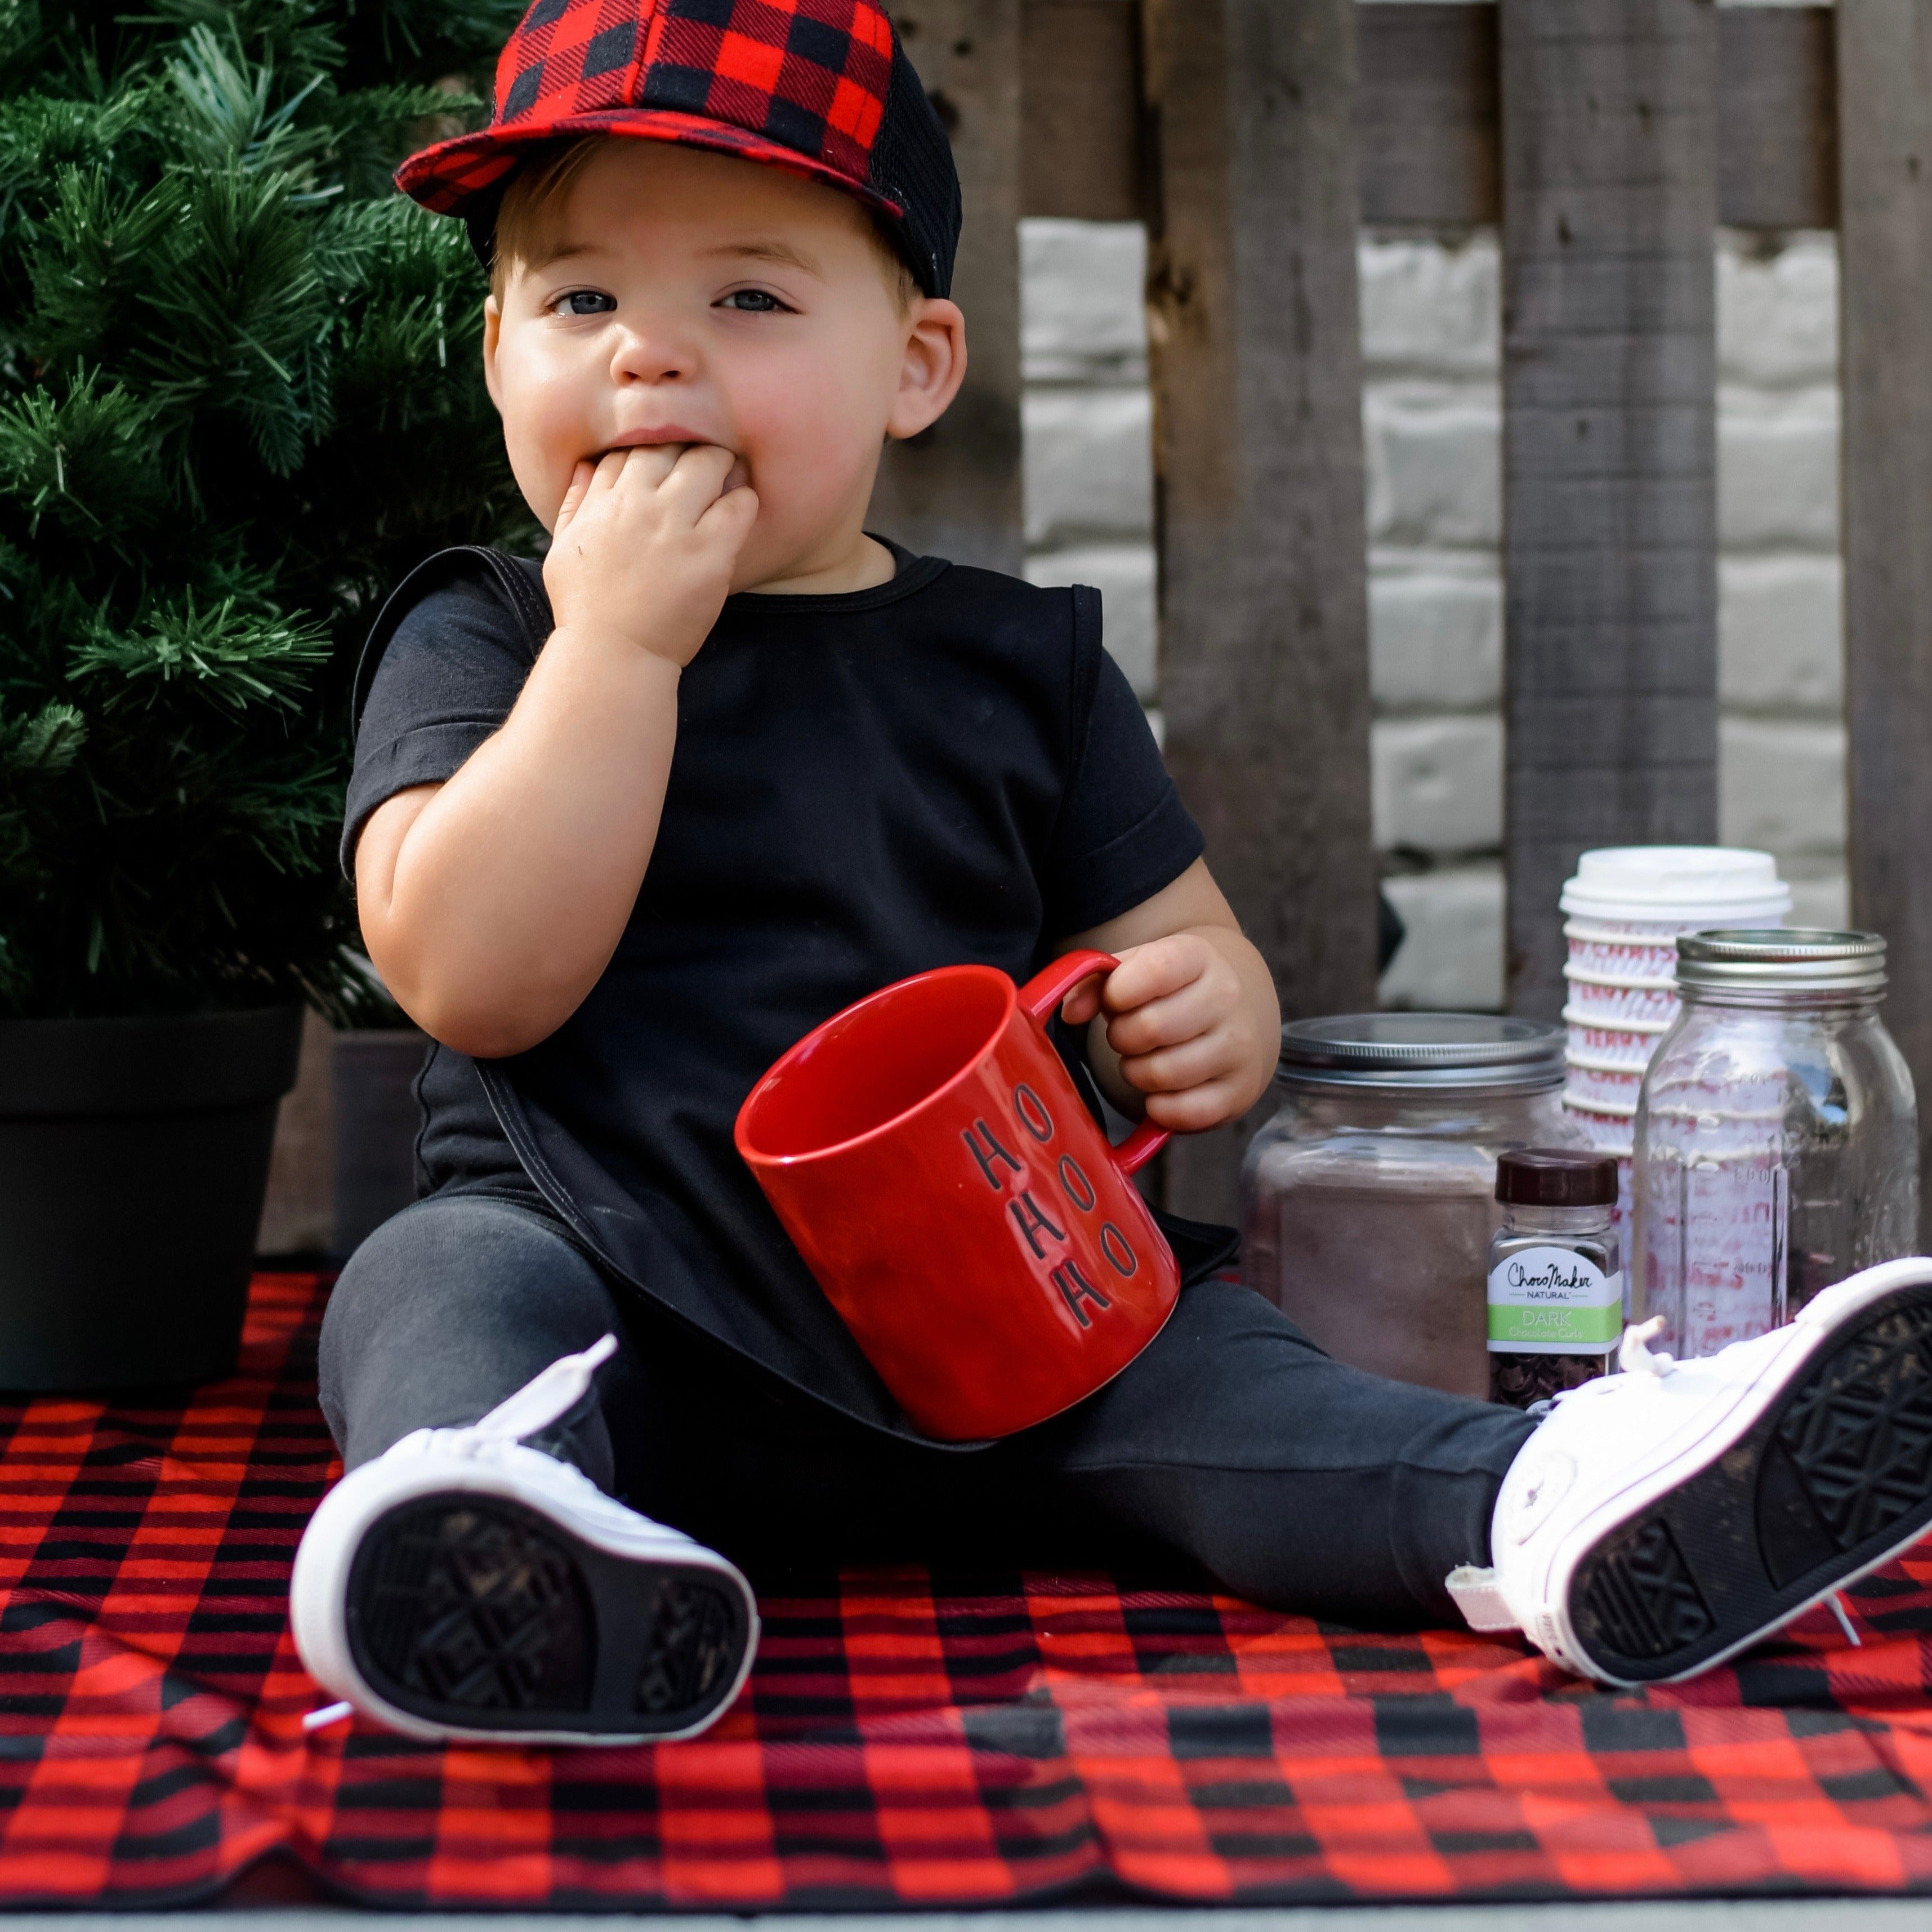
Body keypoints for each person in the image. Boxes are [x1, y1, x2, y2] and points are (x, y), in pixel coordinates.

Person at [290, 0, 1932, 1746]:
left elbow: (1198, 976)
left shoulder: (1024, 669)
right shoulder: (493, 633)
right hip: (611, 1309)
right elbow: (472, 977)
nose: (647, 358)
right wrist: (614, 649)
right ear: (494, 354)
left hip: (994, 1330)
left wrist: (1205, 1018)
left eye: (750, 298)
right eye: (581, 300)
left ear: (915, 365)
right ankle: (500, 1527)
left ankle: (1553, 1502)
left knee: (1233, 1376)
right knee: (435, 1283)